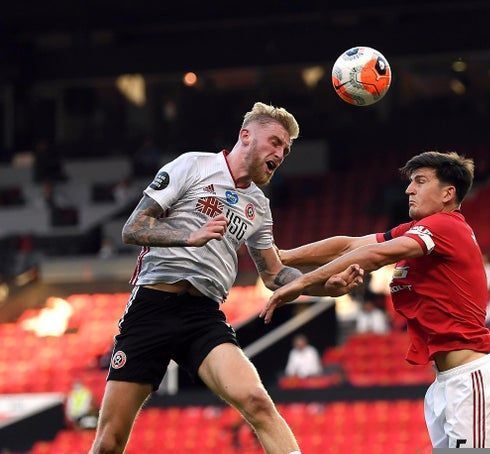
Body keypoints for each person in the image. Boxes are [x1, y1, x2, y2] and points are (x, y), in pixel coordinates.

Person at [90, 102, 363, 454]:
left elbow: (275, 274)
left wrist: (326, 287)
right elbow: (133, 228)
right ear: (246, 136)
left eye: (286, 149)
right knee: (109, 442)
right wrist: (188, 236)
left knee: (257, 401)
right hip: (151, 309)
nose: (280, 154)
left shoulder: (259, 206)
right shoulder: (193, 165)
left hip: (202, 317)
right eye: (275, 142)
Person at [265, 151, 490, 448]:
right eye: (411, 182)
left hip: (472, 381)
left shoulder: (447, 226)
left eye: (420, 181)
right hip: (446, 384)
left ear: (449, 193)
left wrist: (299, 284)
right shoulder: (417, 231)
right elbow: (350, 245)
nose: (409, 189)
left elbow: (373, 255)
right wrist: (281, 257)